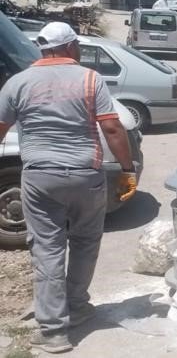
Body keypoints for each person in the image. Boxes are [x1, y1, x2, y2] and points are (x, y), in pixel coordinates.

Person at [0, 22, 137, 353]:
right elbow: (112, 128)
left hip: (40, 178)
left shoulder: (17, 83)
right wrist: (127, 169)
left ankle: (53, 331)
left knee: (47, 249)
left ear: (43, 49)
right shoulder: (90, 79)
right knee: (85, 242)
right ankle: (76, 306)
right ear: (71, 47)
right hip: (85, 175)